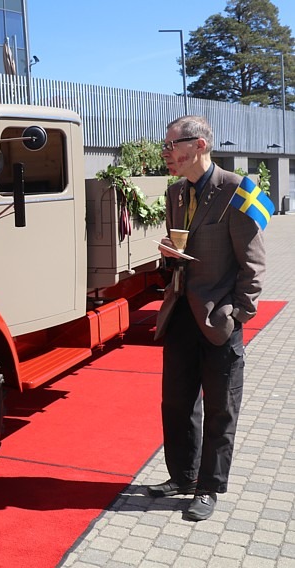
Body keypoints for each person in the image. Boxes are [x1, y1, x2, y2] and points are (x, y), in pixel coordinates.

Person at [148, 115, 266, 521]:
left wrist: (238, 315)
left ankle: (209, 487)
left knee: (220, 408)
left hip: (220, 319)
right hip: (180, 313)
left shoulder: (239, 190)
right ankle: (181, 476)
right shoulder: (175, 193)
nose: (166, 153)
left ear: (198, 145)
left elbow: (253, 266)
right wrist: (167, 257)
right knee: (176, 404)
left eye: (171, 145)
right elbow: (181, 253)